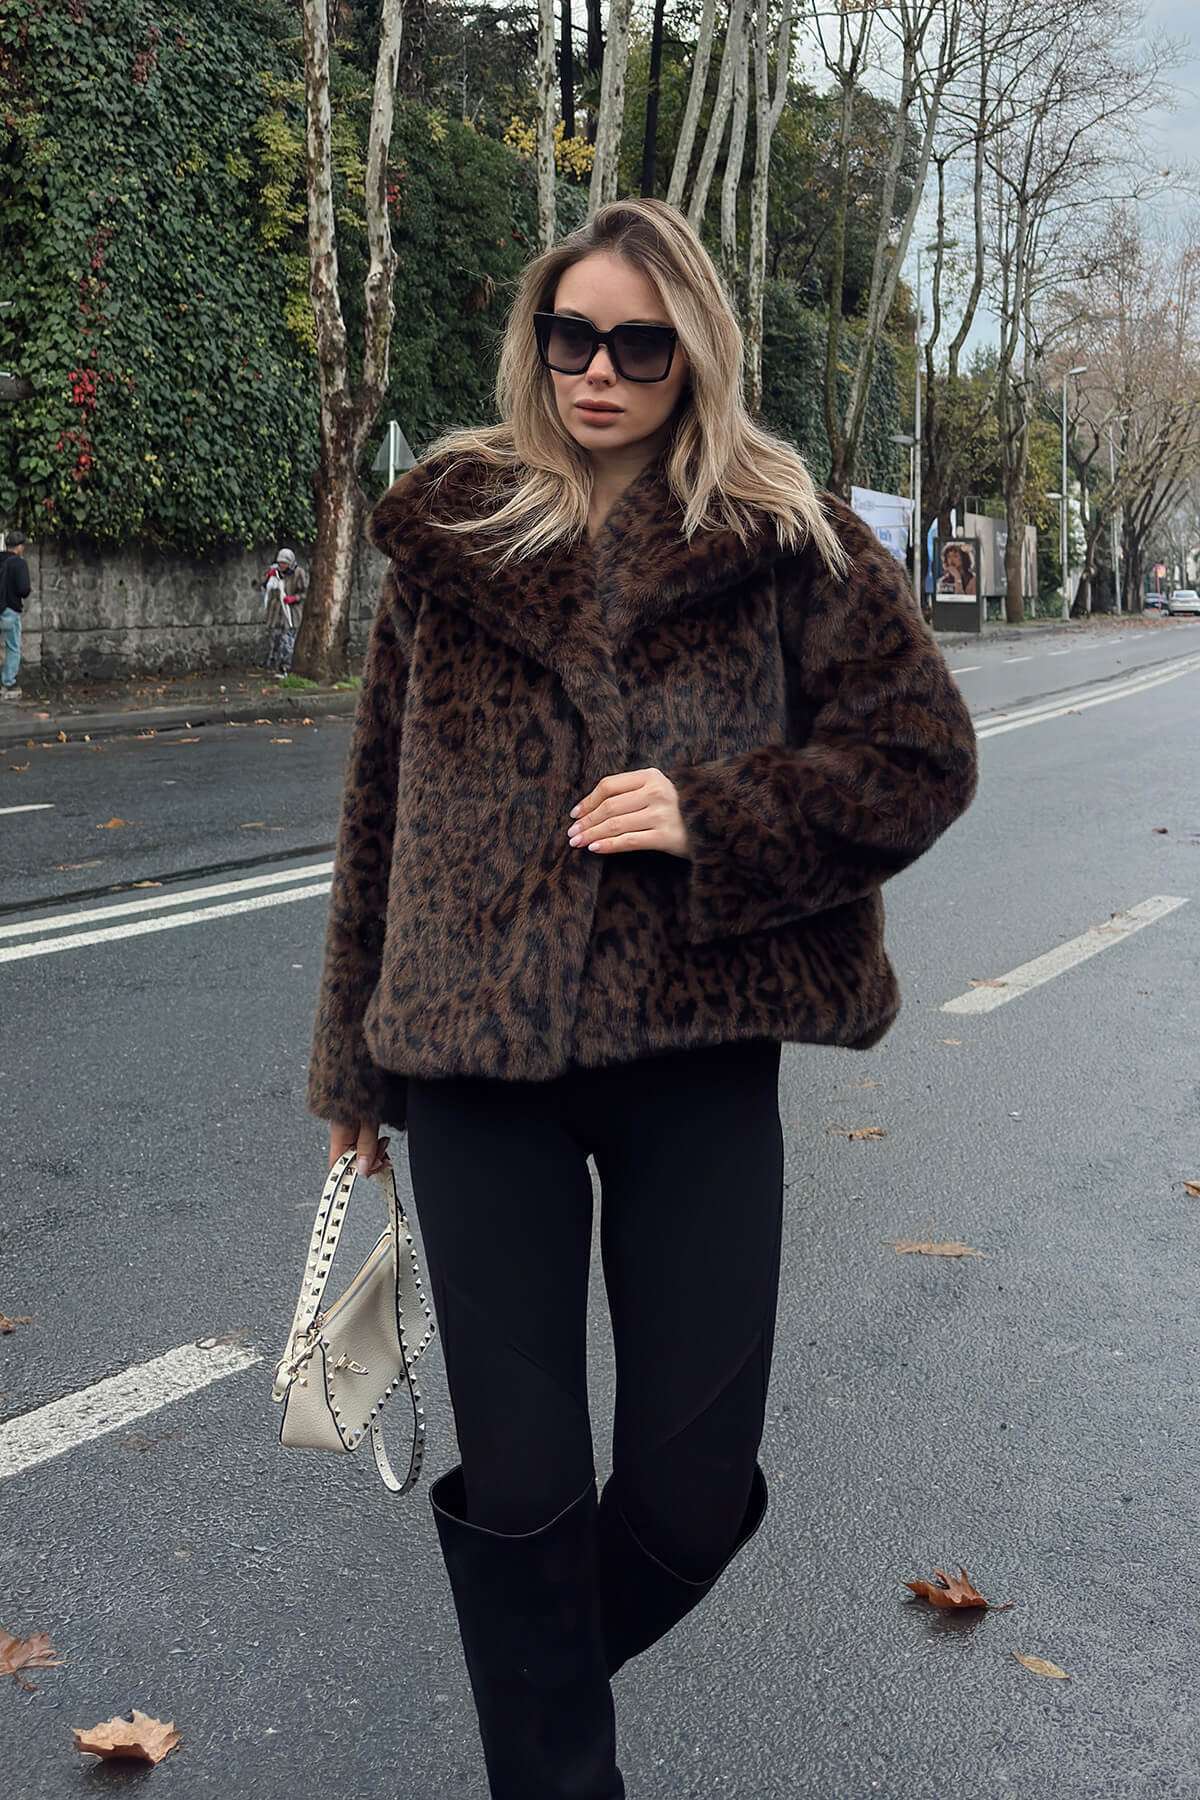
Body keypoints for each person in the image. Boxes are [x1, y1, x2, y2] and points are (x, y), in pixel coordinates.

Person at [305, 198, 978, 1800]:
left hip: (695, 1058)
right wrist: (352, 1069)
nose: (598, 370)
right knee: (527, 1485)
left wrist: (712, 812)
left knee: (689, 1492)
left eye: (639, 344)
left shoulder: (786, 535)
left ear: (697, 356)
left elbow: (921, 757)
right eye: (571, 337)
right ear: (536, 342)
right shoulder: (454, 531)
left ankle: (535, 1689)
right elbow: (378, 804)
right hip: (478, 1060)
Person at [262, 546, 306, 673]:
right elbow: (264, 586)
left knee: (288, 641)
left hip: (291, 614)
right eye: (280, 563)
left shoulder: (299, 573)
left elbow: (305, 592)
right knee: (275, 640)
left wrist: (294, 598)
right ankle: (275, 666)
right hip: (276, 613)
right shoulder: (275, 572)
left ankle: (287, 668)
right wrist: (268, 577)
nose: (282, 566)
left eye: (284, 563)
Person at [0, 530, 31, 700]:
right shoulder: (19, 564)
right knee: (12, 647)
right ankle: (8, 683)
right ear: (19, 547)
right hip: (9, 610)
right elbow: (23, 590)